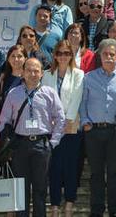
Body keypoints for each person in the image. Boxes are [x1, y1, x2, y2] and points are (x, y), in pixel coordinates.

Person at [0, 58, 65, 217]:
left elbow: (61, 118)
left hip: (42, 145)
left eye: (36, 71)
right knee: (22, 190)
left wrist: (53, 142)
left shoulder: (49, 93)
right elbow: (3, 120)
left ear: (42, 73)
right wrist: (5, 143)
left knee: (40, 190)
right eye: (29, 70)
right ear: (22, 72)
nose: (33, 74)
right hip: (20, 145)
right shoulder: (14, 93)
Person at [80, 39, 116, 217]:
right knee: (96, 174)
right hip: (93, 131)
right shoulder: (89, 77)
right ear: (100, 56)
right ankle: (97, 209)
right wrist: (84, 121)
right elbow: (83, 102)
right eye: (105, 54)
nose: (109, 57)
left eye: (112, 54)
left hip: (115, 132)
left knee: (114, 173)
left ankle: (114, 209)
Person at [42, 41, 85, 217]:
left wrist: (66, 120)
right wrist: (52, 121)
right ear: (55, 55)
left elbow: (76, 98)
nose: (63, 56)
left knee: (71, 165)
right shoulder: (46, 75)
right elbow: (44, 99)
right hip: (51, 126)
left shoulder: (78, 74)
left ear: (71, 55)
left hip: (71, 124)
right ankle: (54, 204)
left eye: (67, 53)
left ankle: (69, 202)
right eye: (59, 53)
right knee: (54, 166)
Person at [0, 44, 27, 119]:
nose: (16, 59)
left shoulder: (29, 78)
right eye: (13, 56)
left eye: (19, 56)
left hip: (24, 123)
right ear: (8, 59)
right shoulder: (2, 78)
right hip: (5, 124)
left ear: (25, 59)